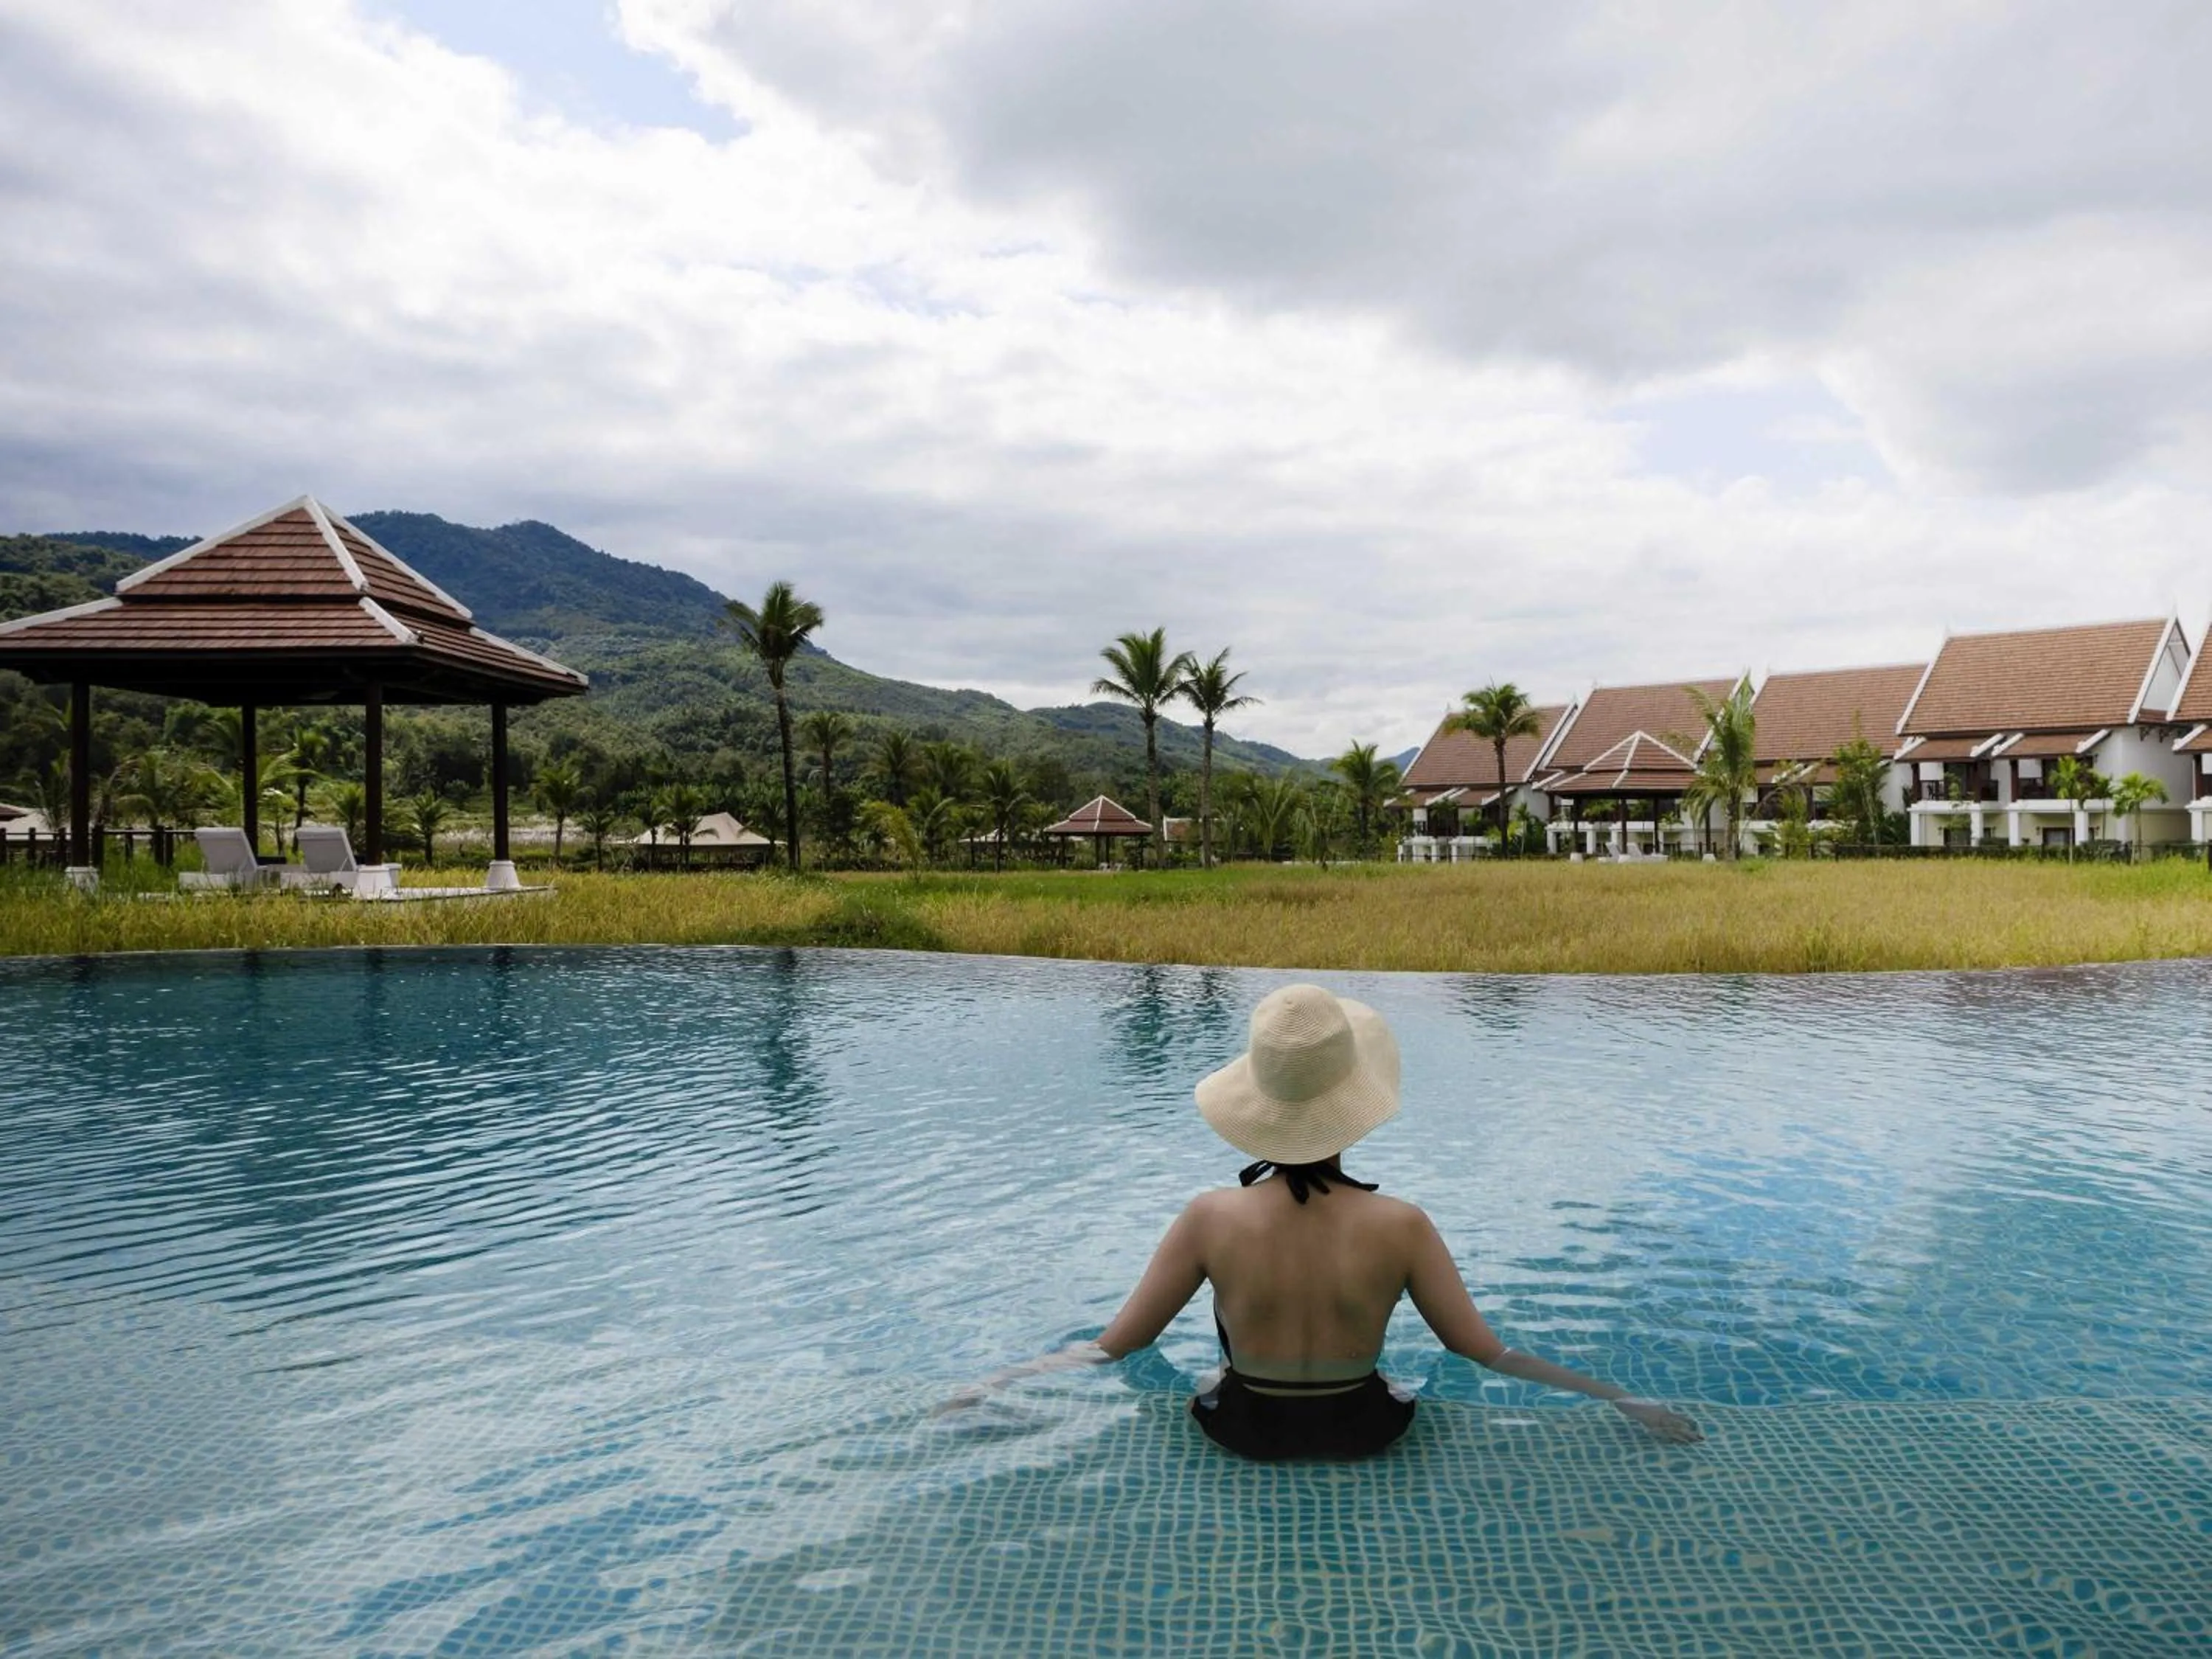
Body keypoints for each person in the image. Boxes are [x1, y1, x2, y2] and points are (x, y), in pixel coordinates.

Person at [947, 983, 1702, 1458]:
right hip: (1368, 1430)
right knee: (1401, 1385)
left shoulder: (1209, 1219)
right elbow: (1486, 1354)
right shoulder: (1402, 1225)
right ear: (1354, 1105)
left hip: (1238, 1430)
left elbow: (1116, 1347)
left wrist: (1000, 1379)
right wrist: (1623, 1399)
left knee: (1213, 1375)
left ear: (1258, 1105)